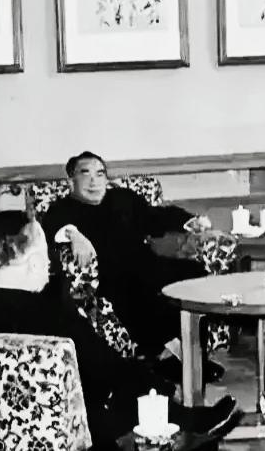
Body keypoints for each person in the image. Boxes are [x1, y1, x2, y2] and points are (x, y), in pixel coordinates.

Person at [0, 212, 243, 449]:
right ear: (33, 262)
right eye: (47, 254)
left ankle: (187, 419)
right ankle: (189, 422)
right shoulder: (52, 317)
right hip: (73, 431)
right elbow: (109, 370)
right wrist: (163, 388)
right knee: (128, 390)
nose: (49, 263)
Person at [40, 151, 222, 382]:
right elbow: (53, 227)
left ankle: (194, 355)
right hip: (108, 275)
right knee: (136, 291)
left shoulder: (123, 198)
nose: (94, 181)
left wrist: (190, 221)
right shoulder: (63, 208)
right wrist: (74, 234)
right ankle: (170, 357)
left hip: (145, 263)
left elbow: (155, 216)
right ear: (71, 180)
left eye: (100, 174)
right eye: (85, 174)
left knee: (195, 276)